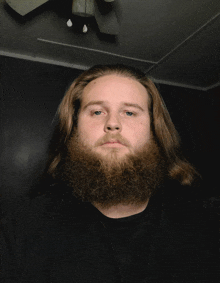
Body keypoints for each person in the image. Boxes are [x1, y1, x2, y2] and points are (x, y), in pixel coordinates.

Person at [1, 64, 219, 282]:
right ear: (73, 127)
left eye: (130, 112)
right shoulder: (20, 230)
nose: (113, 124)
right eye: (97, 112)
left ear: (154, 129)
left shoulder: (207, 226)